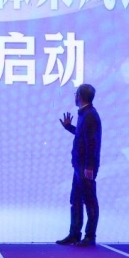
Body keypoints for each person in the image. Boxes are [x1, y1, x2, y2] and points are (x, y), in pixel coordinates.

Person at [56, 83, 102, 247]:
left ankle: (90, 236)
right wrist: (69, 127)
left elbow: (91, 142)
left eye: (76, 93)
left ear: (80, 96)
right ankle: (74, 234)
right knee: (75, 200)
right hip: (80, 166)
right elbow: (82, 135)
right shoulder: (85, 113)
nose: (74, 96)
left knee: (89, 201)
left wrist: (89, 166)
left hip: (85, 167)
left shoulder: (89, 115)